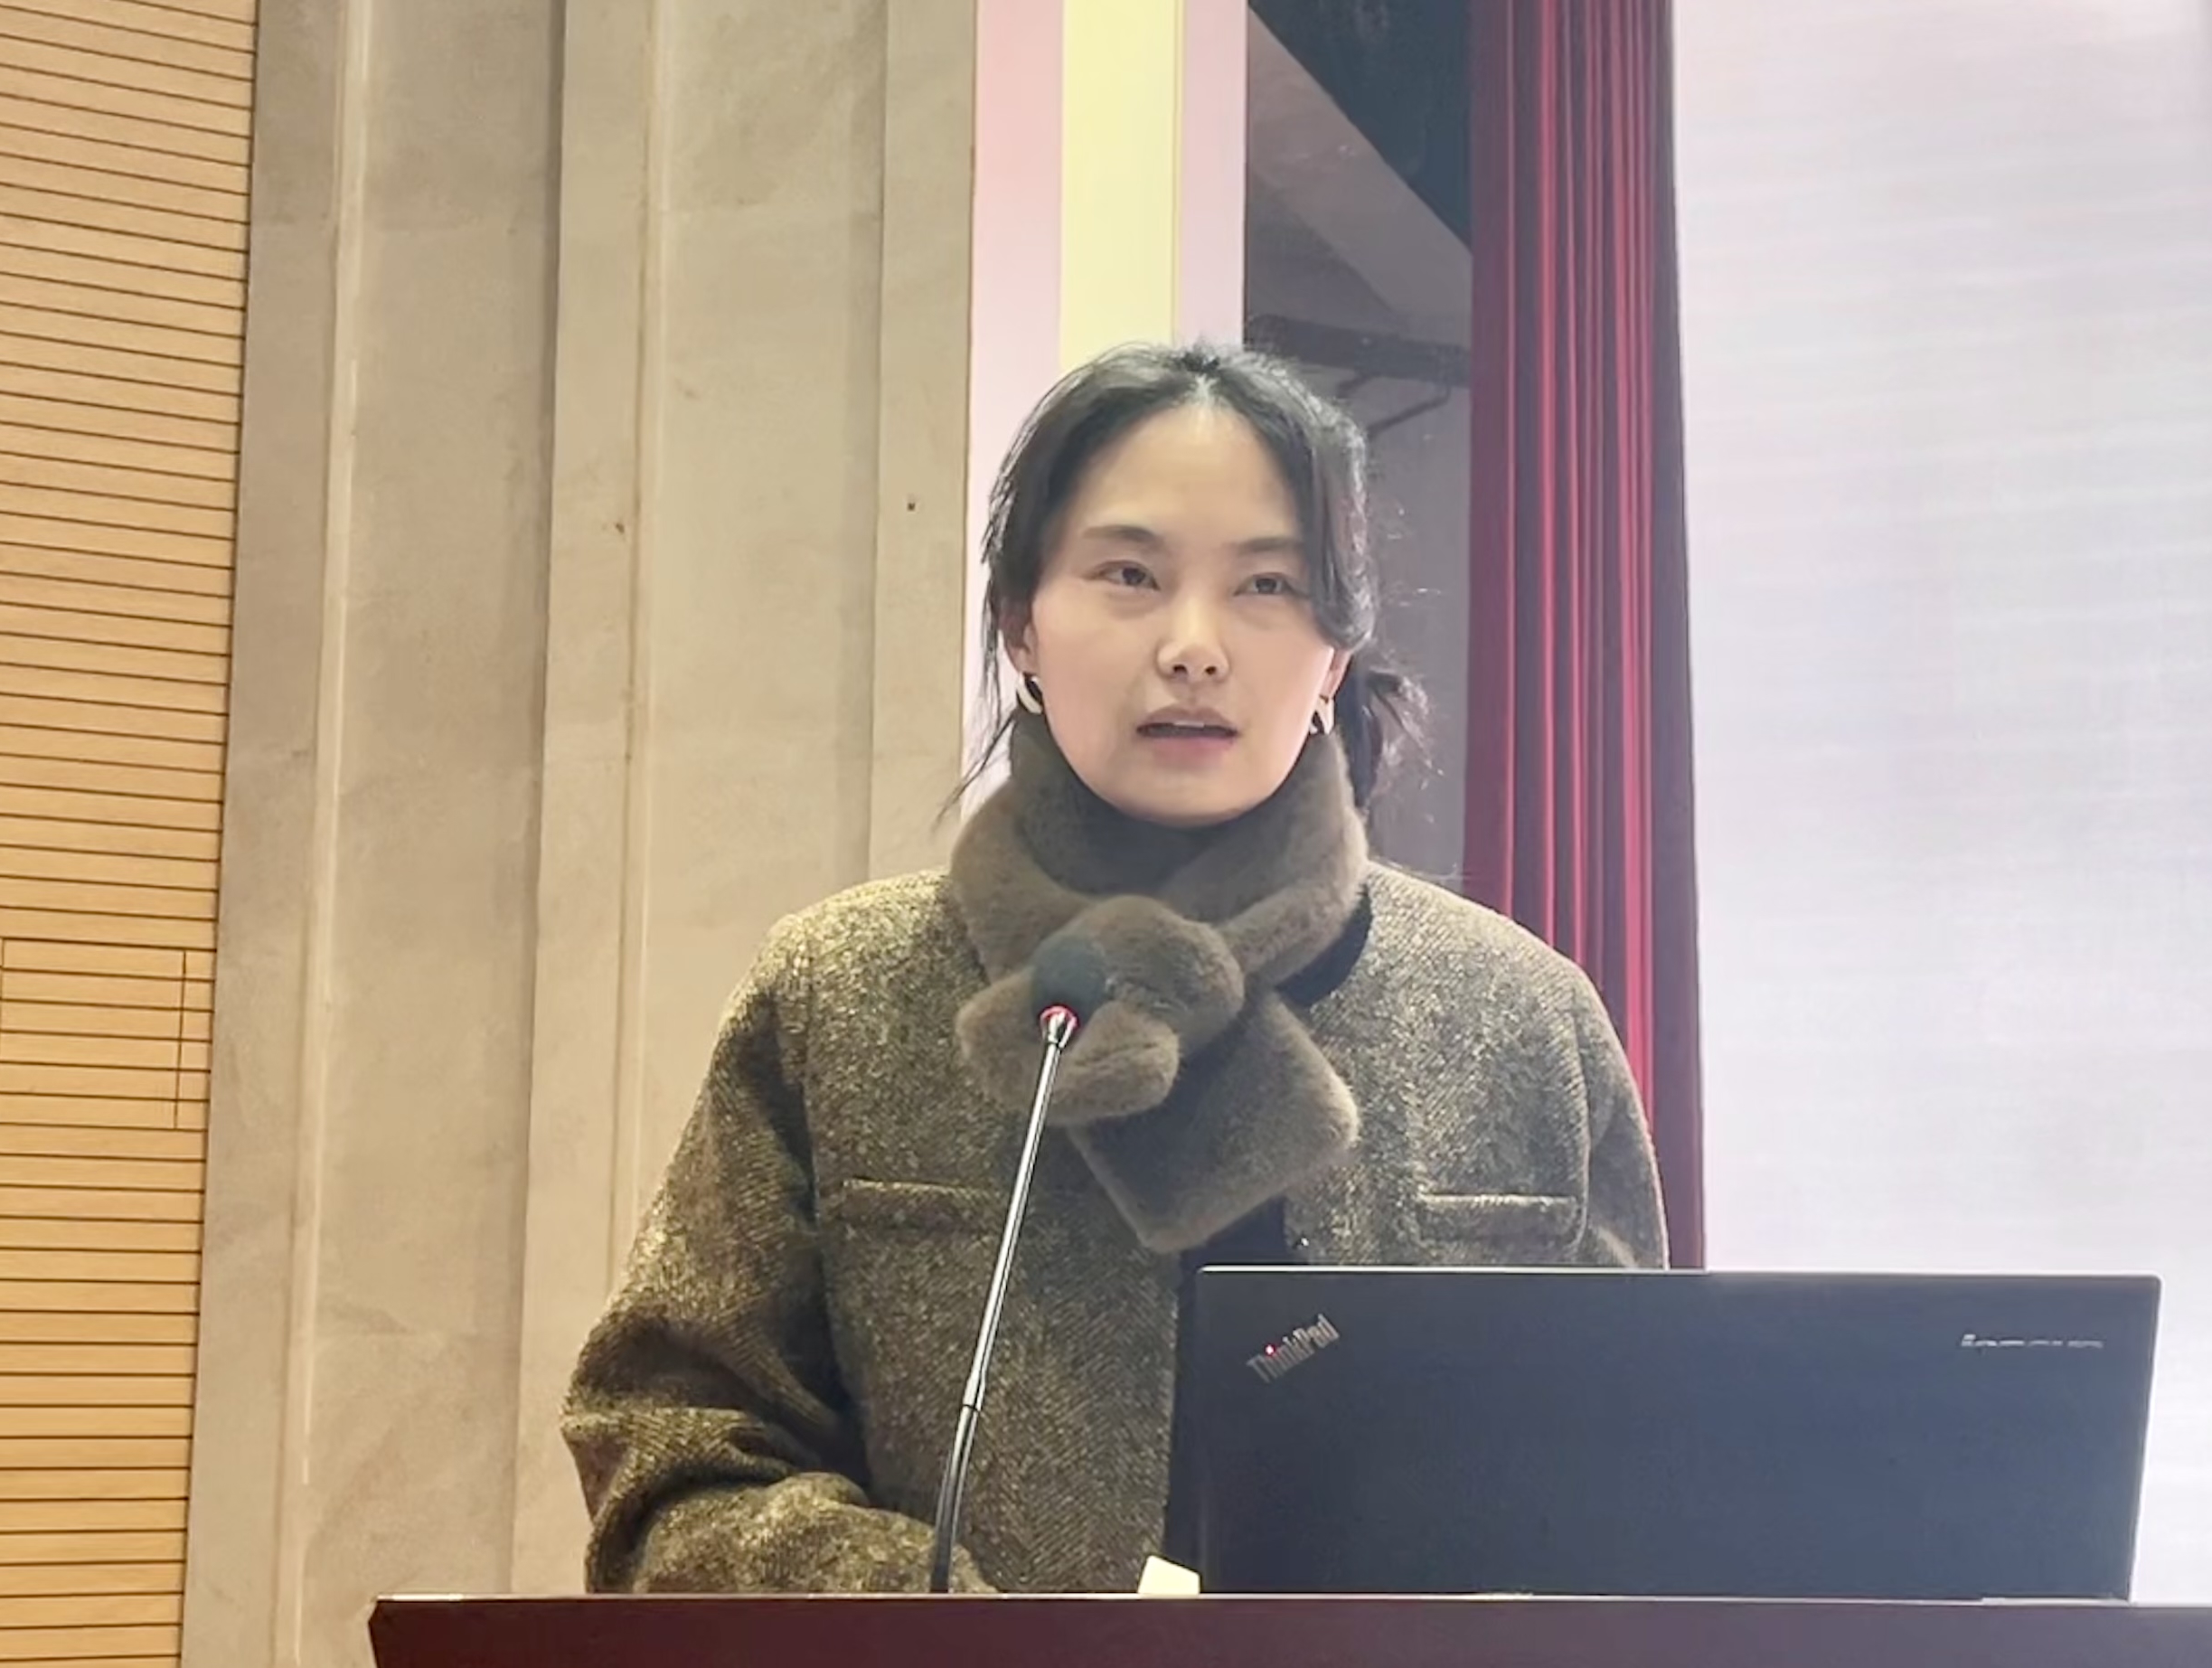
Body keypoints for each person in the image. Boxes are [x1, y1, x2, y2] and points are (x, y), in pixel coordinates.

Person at [562, 342, 1667, 1595]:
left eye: (1266, 585)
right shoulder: (842, 992)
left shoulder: (1517, 1017)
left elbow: (1636, 1495)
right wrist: (948, 1636)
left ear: (1334, 656)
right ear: (1020, 625)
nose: (1193, 646)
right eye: (1130, 574)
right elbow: (672, 1458)